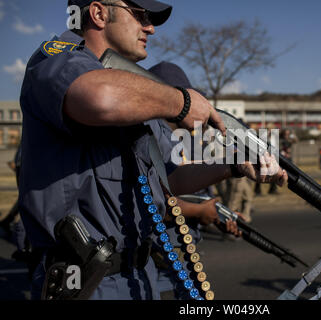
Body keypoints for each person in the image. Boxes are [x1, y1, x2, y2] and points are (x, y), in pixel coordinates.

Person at [19, 0, 287, 300]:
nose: (150, 27)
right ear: (98, 13)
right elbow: (100, 97)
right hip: (85, 281)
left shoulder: (134, 91)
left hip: (139, 274)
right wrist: (180, 102)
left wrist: (234, 166)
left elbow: (170, 179)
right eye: (140, 15)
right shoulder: (57, 58)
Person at [147, 61, 242, 300]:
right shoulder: (150, 139)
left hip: (184, 251)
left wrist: (217, 214)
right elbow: (152, 202)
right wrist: (200, 211)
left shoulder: (186, 139)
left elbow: (196, 193)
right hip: (158, 256)